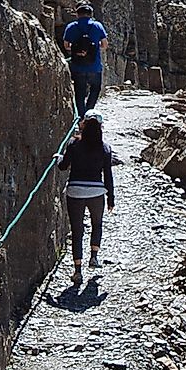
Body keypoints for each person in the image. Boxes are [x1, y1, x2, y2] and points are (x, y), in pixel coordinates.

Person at [61, 111, 118, 287]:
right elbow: (108, 174)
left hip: (75, 191)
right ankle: (94, 256)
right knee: (97, 224)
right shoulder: (105, 148)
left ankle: (77, 271)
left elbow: (63, 166)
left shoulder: (73, 144)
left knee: (77, 231)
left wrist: (58, 158)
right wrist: (111, 198)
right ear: (100, 127)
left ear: (83, 125)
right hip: (96, 192)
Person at [61, 0, 108, 115]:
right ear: (91, 14)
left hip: (78, 66)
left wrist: (78, 50)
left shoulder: (71, 27)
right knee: (95, 90)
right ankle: (89, 112)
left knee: (79, 93)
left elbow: (66, 46)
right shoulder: (97, 26)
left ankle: (81, 117)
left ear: (77, 14)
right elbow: (105, 44)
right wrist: (94, 49)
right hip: (94, 66)